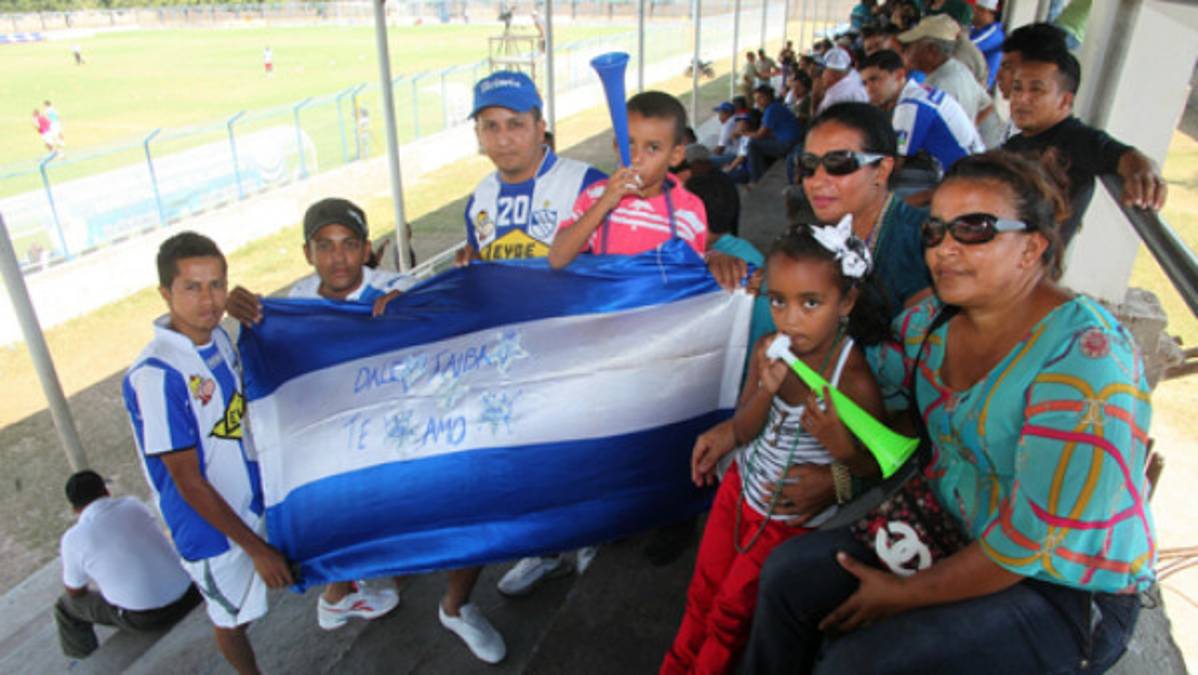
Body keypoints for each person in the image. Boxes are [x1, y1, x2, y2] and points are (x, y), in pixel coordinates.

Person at [742, 150, 1155, 675]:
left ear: (1033, 247)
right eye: (936, 231)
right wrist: (792, 371)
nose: (945, 249)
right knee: (786, 577)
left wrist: (906, 593)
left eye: (975, 229)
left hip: (1061, 582)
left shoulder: (1087, 364)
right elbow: (886, 432)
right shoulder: (928, 321)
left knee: (860, 663)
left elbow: (1029, 539)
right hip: (953, 524)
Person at [662, 223, 889, 675]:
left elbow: (875, 465)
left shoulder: (852, 378)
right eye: (778, 301)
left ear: (845, 303)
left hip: (787, 523)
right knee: (702, 593)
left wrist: (839, 444)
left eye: (811, 303)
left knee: (731, 616)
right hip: (739, 491)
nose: (790, 319)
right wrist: (766, 390)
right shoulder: (770, 347)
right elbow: (745, 428)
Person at [124, 232, 294, 675]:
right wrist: (255, 548)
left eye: (217, 284)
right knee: (231, 620)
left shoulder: (217, 336)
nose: (209, 298)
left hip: (251, 499)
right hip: (213, 533)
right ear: (166, 293)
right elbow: (188, 482)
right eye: (192, 287)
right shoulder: (156, 375)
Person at [1003, 47, 1166, 245]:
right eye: (1018, 88)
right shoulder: (1014, 145)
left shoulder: (1074, 139)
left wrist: (1144, 173)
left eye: (1036, 89)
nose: (1021, 98)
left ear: (1065, 100)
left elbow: (1124, 156)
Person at [549, 91, 708, 267]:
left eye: (653, 148)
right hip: (610, 295)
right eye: (629, 143)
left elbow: (693, 275)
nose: (636, 157)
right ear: (617, 146)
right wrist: (604, 203)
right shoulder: (595, 196)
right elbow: (557, 259)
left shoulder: (689, 209)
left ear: (675, 156)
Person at [460, 71, 605, 264]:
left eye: (516, 125)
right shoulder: (479, 199)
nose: (503, 141)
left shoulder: (588, 185)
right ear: (478, 134)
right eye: (491, 127)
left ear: (540, 129)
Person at [55, 470, 201, 660]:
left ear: (74, 509)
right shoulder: (134, 505)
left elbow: (75, 592)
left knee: (65, 606)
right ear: (106, 491)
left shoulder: (73, 538)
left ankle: (84, 661)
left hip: (146, 618)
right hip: (190, 593)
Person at [860, 49, 984, 173]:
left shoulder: (910, 106)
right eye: (864, 83)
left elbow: (896, 162)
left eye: (874, 80)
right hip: (974, 163)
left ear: (899, 75)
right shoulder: (920, 91)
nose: (869, 89)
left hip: (966, 174)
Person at [898, 14, 1002, 147]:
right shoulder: (958, 68)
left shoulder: (938, 86)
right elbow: (987, 106)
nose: (907, 52)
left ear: (931, 51)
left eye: (912, 46)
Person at [743, 85, 804, 186]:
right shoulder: (776, 106)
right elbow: (768, 132)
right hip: (794, 140)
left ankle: (755, 179)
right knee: (758, 143)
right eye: (756, 99)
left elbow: (759, 135)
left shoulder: (772, 110)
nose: (757, 102)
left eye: (760, 98)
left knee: (753, 144)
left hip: (788, 144)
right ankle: (761, 175)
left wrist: (742, 133)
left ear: (768, 97)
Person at [815, 48, 868, 115]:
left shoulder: (834, 98)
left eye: (824, 70)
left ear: (832, 74)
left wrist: (815, 97)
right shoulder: (855, 75)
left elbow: (819, 121)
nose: (822, 75)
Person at [970, 0, 1005, 91]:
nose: (973, 12)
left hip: (977, 89)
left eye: (977, 9)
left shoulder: (994, 33)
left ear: (985, 11)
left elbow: (964, 46)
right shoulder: (974, 28)